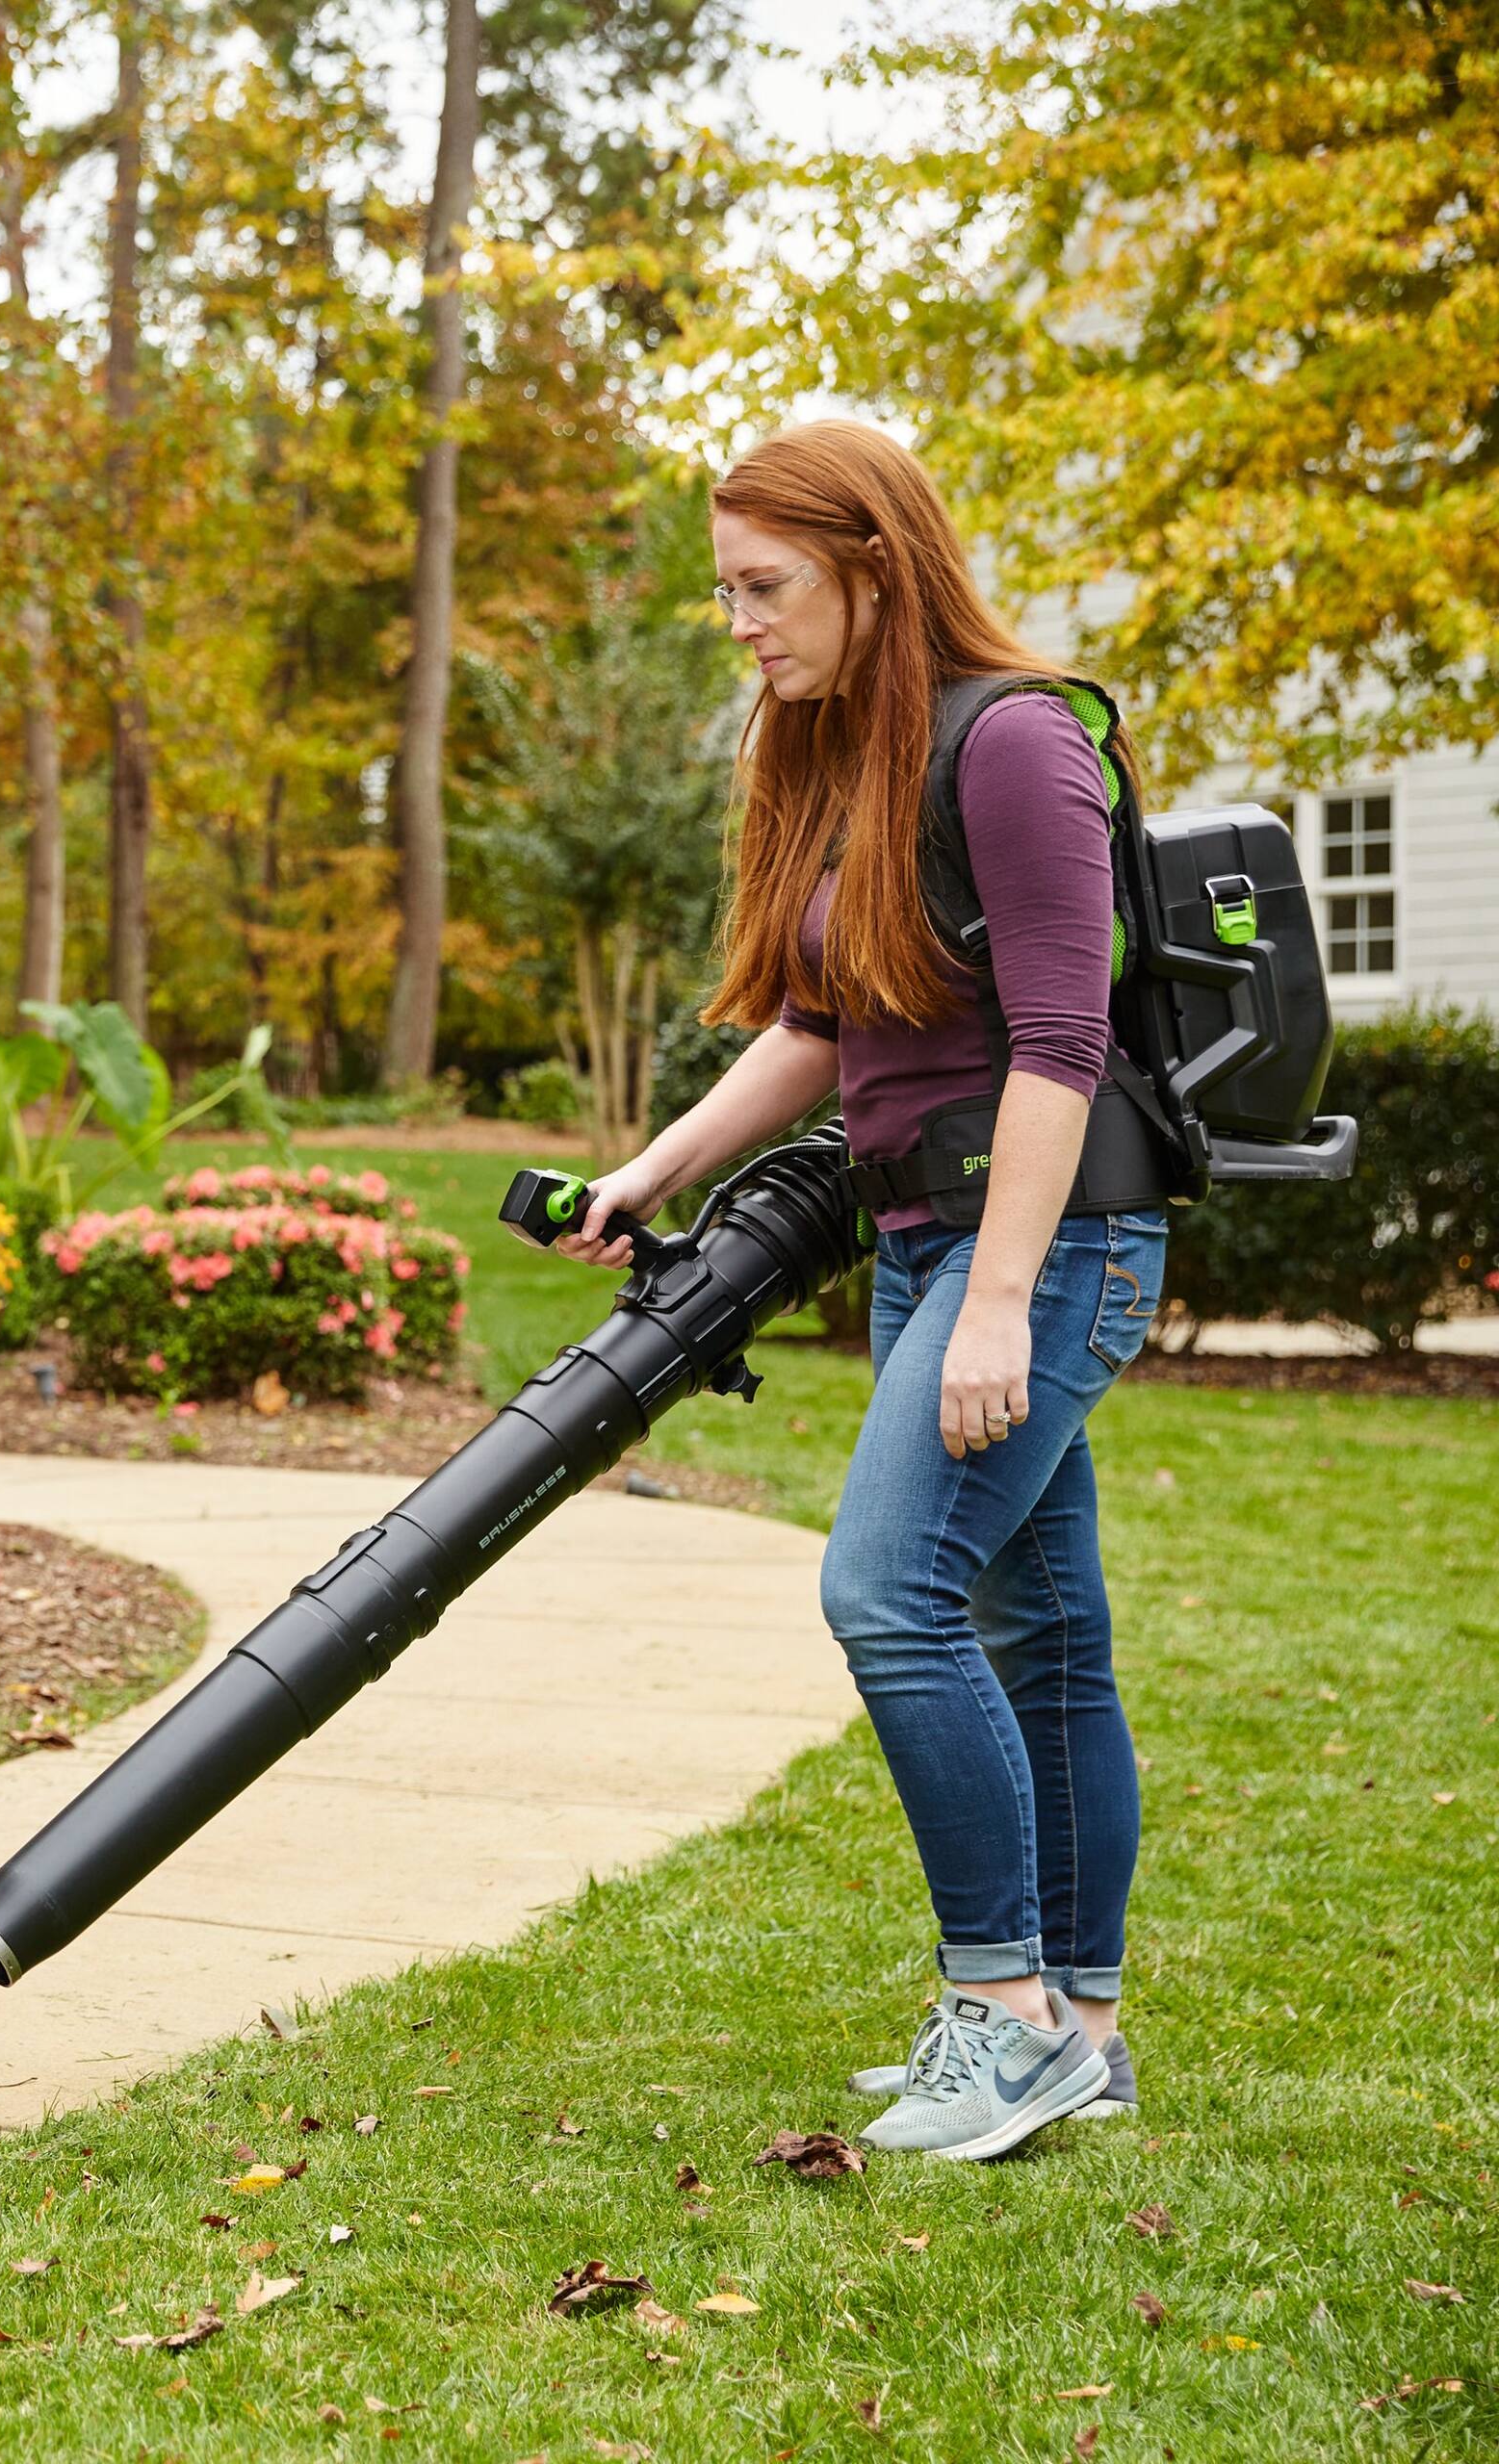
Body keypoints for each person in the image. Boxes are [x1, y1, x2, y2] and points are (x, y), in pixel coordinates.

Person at [566, 420, 1167, 2163]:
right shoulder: (850, 754)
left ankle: (1005, 2011)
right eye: (726, 592)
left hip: (1041, 1245)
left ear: (875, 570)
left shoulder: (1016, 740)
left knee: (889, 1592)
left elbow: (1060, 1043)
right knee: (1047, 1635)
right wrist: (651, 1170)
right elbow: (823, 1027)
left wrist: (999, 1304)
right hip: (920, 1239)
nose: (740, 622)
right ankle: (1084, 2031)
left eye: (766, 586)